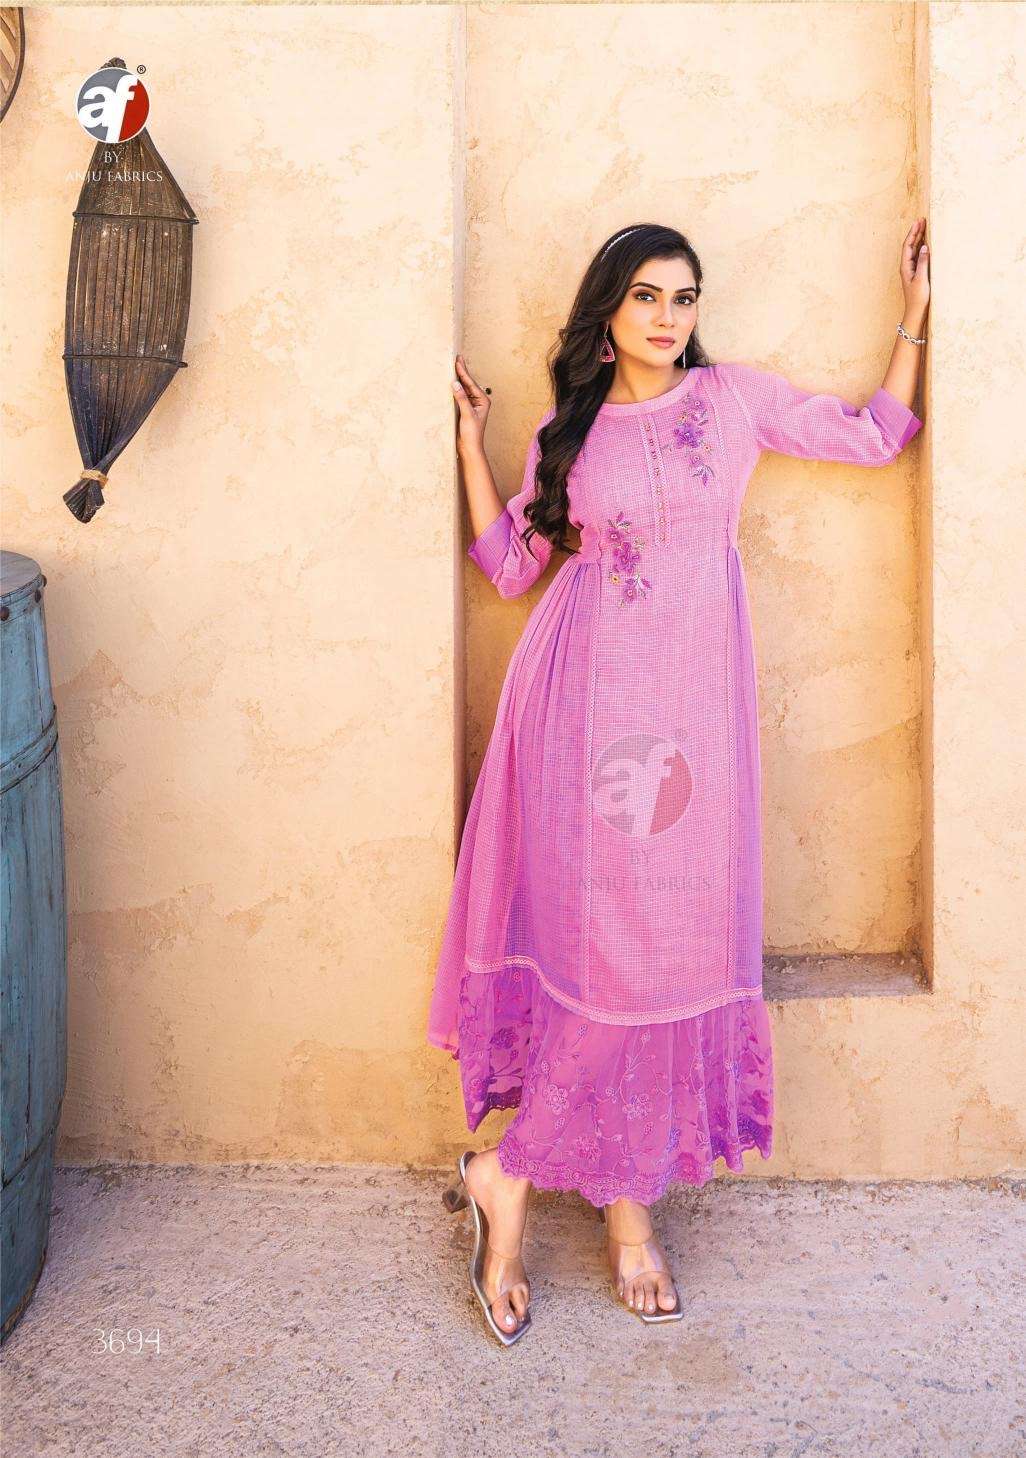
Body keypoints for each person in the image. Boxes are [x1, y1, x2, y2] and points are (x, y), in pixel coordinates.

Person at [428, 219, 929, 1343]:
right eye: (647, 296)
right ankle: (599, 1211)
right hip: (581, 716)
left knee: (669, 953)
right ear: (608, 312)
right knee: (606, 956)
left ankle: (538, 1182)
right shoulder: (569, 432)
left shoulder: (732, 401)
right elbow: (511, 569)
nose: (667, 317)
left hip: (695, 726)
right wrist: (473, 445)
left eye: (684, 297)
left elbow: (873, 437)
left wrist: (913, 317)